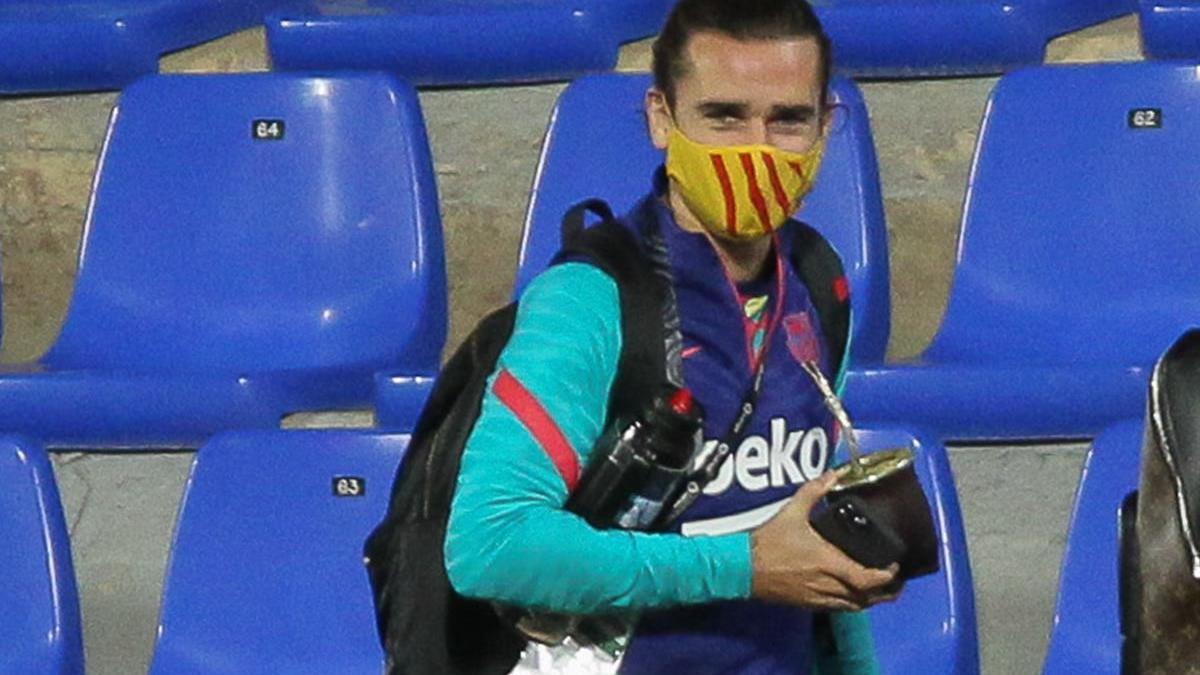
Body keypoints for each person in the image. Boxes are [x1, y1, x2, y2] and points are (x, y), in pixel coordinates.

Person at [444, 0, 901, 671]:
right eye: (723, 115)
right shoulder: (591, 297)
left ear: (827, 124)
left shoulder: (819, 280)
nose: (756, 147)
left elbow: (817, 550)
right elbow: (491, 542)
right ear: (662, 117)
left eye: (788, 119)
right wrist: (743, 566)